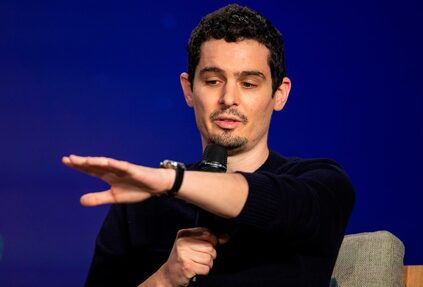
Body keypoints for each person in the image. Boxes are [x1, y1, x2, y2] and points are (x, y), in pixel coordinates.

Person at [63, 4, 354, 286]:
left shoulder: (320, 184)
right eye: (214, 81)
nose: (229, 98)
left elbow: (264, 200)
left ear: (280, 94)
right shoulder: (141, 204)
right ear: (189, 90)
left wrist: (170, 180)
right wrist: (165, 279)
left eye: (249, 84)